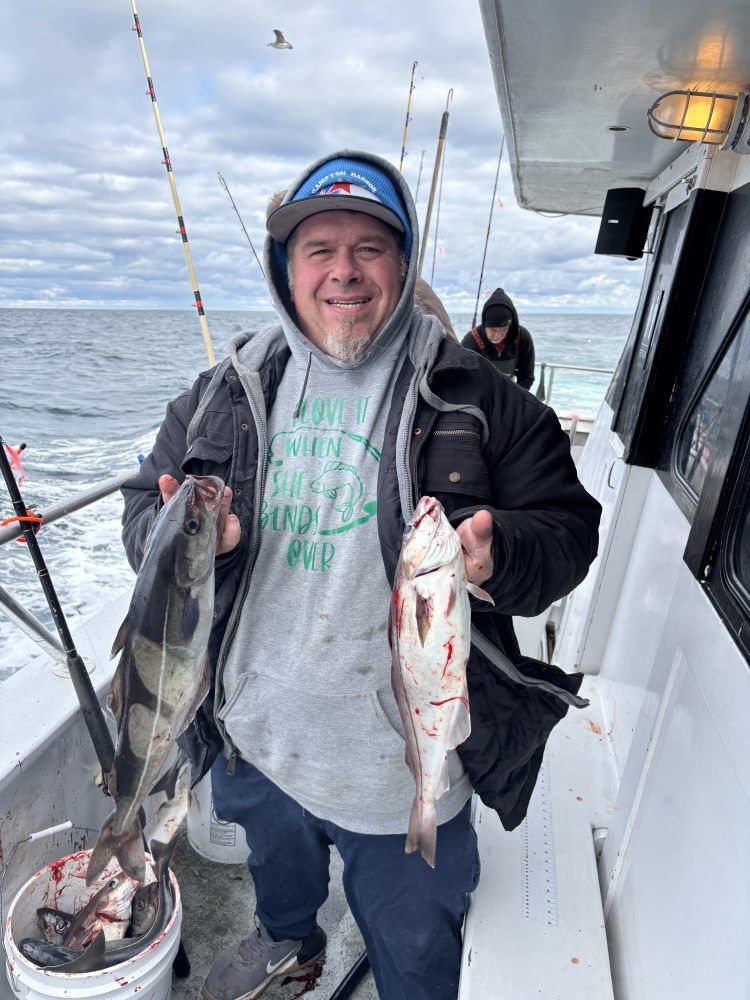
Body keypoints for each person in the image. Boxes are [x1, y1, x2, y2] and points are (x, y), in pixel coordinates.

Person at [120, 150, 601, 1000]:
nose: (343, 271)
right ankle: (291, 941)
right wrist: (195, 544)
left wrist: (497, 555)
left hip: (405, 762)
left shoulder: (481, 397)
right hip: (254, 739)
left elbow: (570, 533)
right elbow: (139, 516)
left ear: (403, 262)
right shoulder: (221, 392)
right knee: (280, 881)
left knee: (417, 958)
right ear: (286, 269)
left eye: (369, 247)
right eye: (319, 249)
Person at [461, 288, 535, 389]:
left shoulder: (522, 337)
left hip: (511, 391)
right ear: (484, 325)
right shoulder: (470, 340)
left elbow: (527, 377)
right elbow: (463, 377)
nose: (498, 335)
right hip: (479, 392)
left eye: (503, 329)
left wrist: (515, 399)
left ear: (510, 325)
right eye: (493, 330)